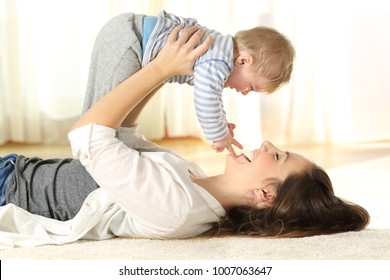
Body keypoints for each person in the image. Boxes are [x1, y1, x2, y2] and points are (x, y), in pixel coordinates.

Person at [0, 25, 368, 247]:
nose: (267, 145)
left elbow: (87, 136)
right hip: (17, 169)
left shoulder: (176, 208)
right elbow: (122, 135)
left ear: (265, 195)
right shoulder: (191, 179)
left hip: (9, 188)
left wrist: (161, 68)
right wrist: (159, 64)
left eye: (277, 156)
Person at [81, 10, 295, 156]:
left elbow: (211, 96)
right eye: (251, 86)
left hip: (131, 38)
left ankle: (117, 149)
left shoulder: (218, 54)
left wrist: (220, 121)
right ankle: (88, 154)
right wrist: (220, 135)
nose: (245, 92)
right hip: (129, 39)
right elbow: (207, 99)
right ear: (243, 61)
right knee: (98, 119)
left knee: (116, 112)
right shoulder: (218, 59)